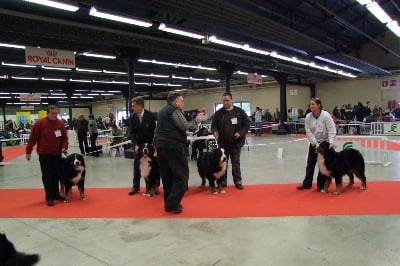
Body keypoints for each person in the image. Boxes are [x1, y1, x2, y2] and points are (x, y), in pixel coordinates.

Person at [155, 92, 205, 213]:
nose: (183, 103)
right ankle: (171, 203)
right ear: (176, 101)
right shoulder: (174, 110)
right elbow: (185, 126)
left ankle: (172, 204)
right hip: (174, 147)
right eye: (182, 101)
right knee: (182, 177)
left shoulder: (162, 112)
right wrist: (197, 120)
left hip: (161, 147)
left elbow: (161, 130)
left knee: (168, 178)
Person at [26, 105, 68, 206]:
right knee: (47, 176)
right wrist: (28, 151)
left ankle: (56, 194)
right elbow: (33, 138)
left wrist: (64, 146)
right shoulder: (40, 123)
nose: (55, 115)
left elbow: (64, 138)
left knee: (56, 175)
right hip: (44, 154)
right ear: (47, 113)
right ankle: (49, 197)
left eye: (56, 113)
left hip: (57, 154)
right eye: (53, 113)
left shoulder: (60, 123)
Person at [211, 92, 250, 190]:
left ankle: (238, 181)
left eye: (227, 100)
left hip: (236, 144)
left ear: (232, 100)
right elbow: (213, 126)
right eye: (223, 101)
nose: (225, 103)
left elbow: (247, 126)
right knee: (223, 163)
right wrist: (215, 131)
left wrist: (240, 133)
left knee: (235, 162)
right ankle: (223, 181)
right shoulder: (219, 113)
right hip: (223, 143)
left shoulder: (239, 112)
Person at [297, 97, 337, 191]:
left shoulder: (326, 115)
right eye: (310, 104)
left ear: (319, 105)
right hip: (314, 143)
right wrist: (315, 144)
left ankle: (320, 185)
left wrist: (331, 142)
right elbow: (308, 132)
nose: (311, 106)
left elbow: (332, 129)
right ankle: (307, 184)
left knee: (322, 165)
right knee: (310, 163)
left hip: (325, 143)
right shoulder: (308, 117)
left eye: (313, 104)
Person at [128, 97, 158, 196]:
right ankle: (135, 186)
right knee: (137, 166)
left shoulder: (151, 115)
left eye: (134, 106)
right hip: (139, 147)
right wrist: (135, 144)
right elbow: (132, 133)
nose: (132, 108)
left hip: (151, 146)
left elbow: (156, 131)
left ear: (140, 106)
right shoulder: (133, 117)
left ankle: (155, 186)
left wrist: (155, 145)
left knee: (154, 167)